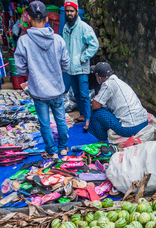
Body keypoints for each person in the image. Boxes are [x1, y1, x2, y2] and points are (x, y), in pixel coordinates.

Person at [14, 1, 70, 159]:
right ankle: (64, 148)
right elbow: (66, 63)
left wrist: (32, 74)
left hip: (38, 91)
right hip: (57, 89)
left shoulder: (24, 41)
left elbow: (20, 68)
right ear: (46, 19)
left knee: (45, 124)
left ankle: (52, 151)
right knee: (60, 120)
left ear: (29, 19)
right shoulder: (58, 39)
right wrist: (57, 72)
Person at [88, 62, 148, 142]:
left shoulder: (108, 84)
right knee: (104, 110)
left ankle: (101, 141)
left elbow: (95, 106)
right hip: (144, 122)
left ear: (99, 77)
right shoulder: (120, 82)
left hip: (130, 128)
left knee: (96, 113)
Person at [63, 0, 99, 132]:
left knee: (84, 94)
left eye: (71, 11)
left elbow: (94, 45)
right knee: (76, 93)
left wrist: (82, 57)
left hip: (81, 67)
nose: (69, 13)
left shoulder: (84, 27)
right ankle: (83, 115)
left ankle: (89, 120)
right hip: (71, 68)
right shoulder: (66, 27)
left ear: (76, 12)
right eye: (67, 11)